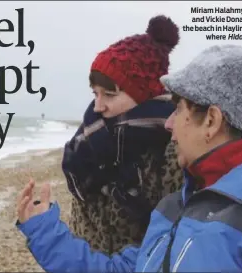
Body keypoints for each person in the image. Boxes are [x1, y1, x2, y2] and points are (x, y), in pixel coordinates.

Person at [16, 44, 242, 272]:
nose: (169, 123)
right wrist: (43, 230)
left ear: (211, 121)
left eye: (178, 109)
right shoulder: (177, 206)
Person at [62, 15, 184, 254]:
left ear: (145, 94)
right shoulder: (89, 142)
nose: (98, 107)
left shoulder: (174, 145)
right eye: (95, 94)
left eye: (109, 94)